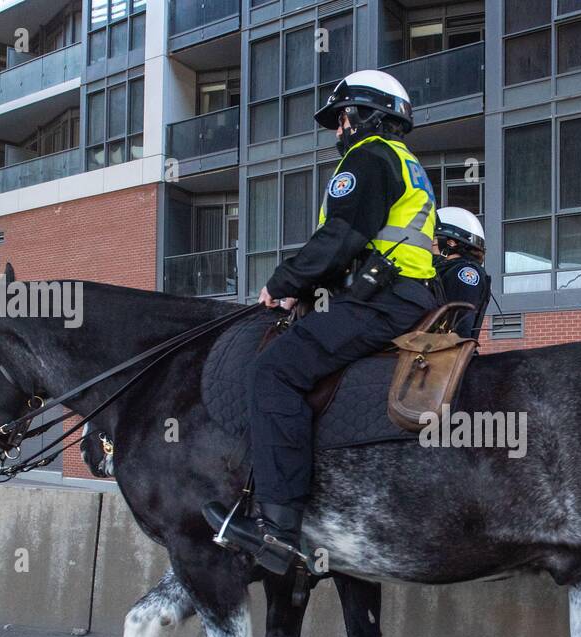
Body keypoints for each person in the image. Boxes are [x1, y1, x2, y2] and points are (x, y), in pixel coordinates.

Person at [203, 70, 439, 574]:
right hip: (399, 295)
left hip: (383, 301)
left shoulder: (368, 157)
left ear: (365, 117)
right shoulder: (405, 161)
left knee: (273, 372)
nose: (338, 130)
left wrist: (284, 284)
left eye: (342, 118)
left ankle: (279, 530)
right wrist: (306, 292)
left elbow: (342, 238)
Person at [431, 207, 490, 339]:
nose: (431, 244)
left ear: (450, 243)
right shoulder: (447, 269)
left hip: (441, 350)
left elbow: (460, 325)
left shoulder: (463, 272)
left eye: (434, 238)